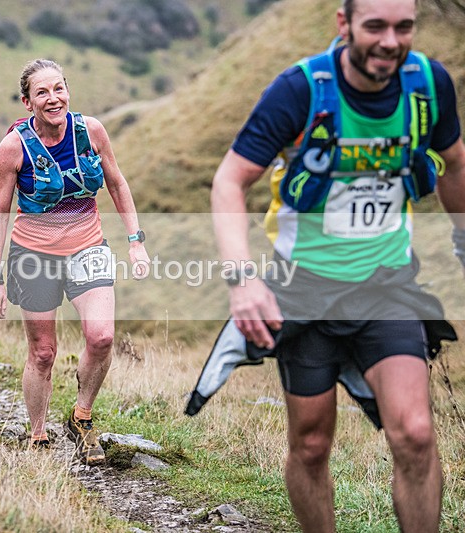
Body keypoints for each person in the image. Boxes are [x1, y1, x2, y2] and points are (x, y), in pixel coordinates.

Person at [210, 1, 465, 531]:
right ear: (344, 25)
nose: (391, 42)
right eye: (375, 26)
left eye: (404, 27)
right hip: (303, 291)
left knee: (415, 434)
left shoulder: (427, 84)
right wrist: (242, 279)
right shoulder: (300, 90)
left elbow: (455, 161)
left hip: (388, 286)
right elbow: (230, 180)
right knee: (310, 445)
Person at [0, 58, 151, 465]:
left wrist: (136, 240)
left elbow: (116, 182)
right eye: (42, 92)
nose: (53, 98)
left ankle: (81, 417)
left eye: (58, 88)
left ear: (68, 92)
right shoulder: (14, 147)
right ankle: (38, 436)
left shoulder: (91, 131)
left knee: (102, 337)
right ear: (28, 103)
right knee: (43, 352)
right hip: (33, 255)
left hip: (87, 246)